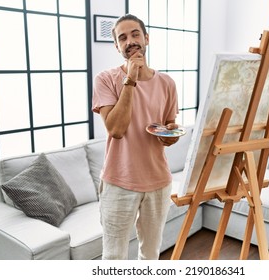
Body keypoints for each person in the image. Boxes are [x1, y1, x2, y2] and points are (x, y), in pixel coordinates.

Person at [92, 14, 179, 260]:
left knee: (150, 255)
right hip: (118, 181)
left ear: (146, 39)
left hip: (159, 182)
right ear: (116, 47)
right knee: (113, 258)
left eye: (135, 34)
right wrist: (129, 80)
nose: (130, 41)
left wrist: (171, 133)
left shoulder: (167, 83)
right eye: (122, 38)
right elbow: (116, 130)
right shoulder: (106, 79)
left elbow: (168, 123)